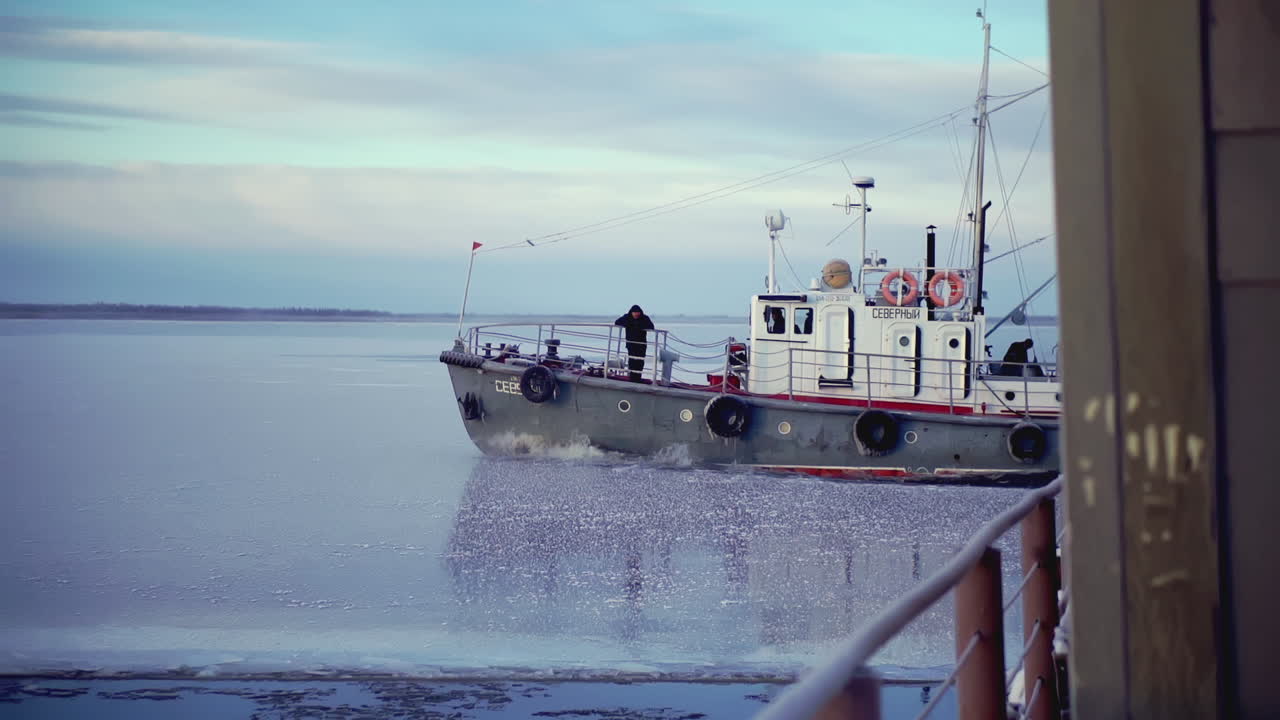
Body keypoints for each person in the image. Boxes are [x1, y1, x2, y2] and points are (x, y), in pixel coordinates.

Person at [614, 304, 655, 382]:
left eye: (638, 312)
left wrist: (639, 325)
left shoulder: (644, 318)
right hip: (631, 343)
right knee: (632, 361)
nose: (636, 314)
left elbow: (651, 327)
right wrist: (629, 324)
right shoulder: (627, 317)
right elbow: (617, 322)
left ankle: (638, 378)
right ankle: (632, 378)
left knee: (640, 361)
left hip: (641, 344)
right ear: (631, 312)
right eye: (634, 312)